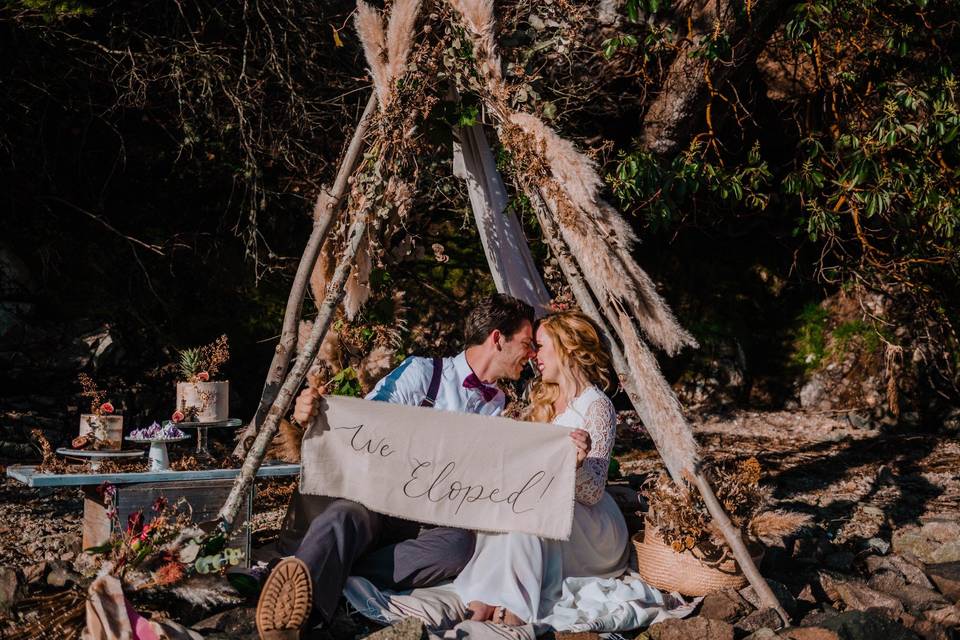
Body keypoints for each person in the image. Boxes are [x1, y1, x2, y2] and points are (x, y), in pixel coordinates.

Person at [255, 294, 592, 640]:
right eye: (525, 343)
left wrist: (566, 457)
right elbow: (360, 423)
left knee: (457, 547)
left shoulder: (500, 406)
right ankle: (293, 620)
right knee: (343, 517)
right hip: (378, 501)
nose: (532, 354)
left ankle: (322, 570)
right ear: (497, 339)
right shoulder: (422, 373)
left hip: (433, 519)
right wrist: (309, 414)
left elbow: (515, 467)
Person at [453, 310, 630, 626]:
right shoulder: (544, 401)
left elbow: (592, 492)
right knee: (504, 503)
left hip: (588, 524)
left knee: (527, 509)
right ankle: (487, 592)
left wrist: (573, 465)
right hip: (546, 504)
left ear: (567, 348)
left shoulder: (597, 405)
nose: (533, 356)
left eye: (540, 346)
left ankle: (514, 598)